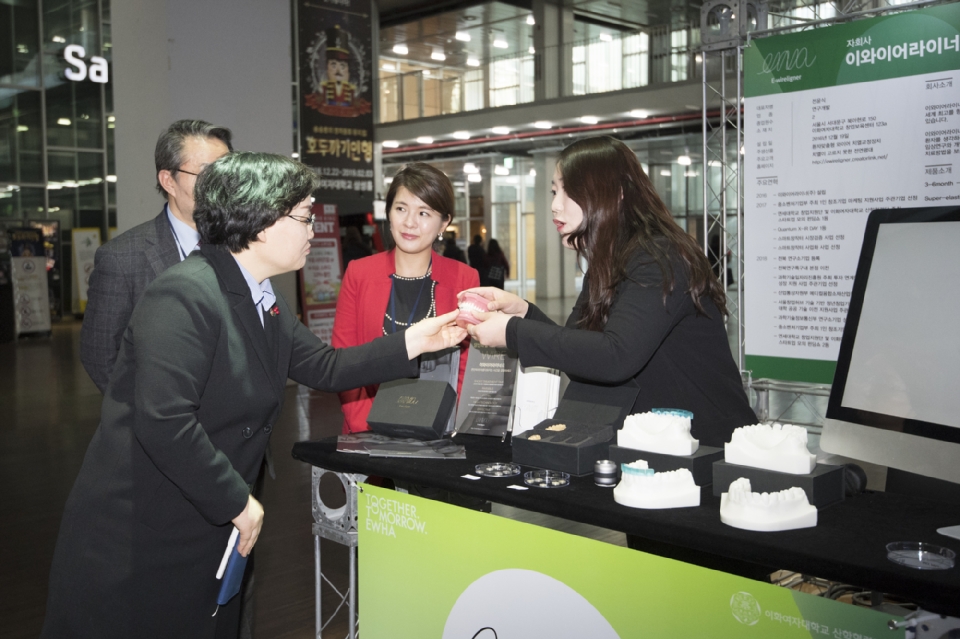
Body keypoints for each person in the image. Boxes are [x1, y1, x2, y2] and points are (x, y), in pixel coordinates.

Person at [41, 153, 466, 639]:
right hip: (144, 528)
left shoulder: (262, 295)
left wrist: (417, 340)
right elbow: (165, 421)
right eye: (304, 216)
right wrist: (239, 502)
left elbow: (325, 367)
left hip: (204, 519)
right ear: (260, 221)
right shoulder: (183, 294)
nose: (312, 230)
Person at [461, 136, 756, 448]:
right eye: (553, 191)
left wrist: (513, 331)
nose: (554, 204)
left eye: (568, 191)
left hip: (710, 449)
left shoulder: (658, 255)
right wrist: (523, 312)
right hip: (658, 445)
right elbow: (583, 356)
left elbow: (616, 356)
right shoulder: (609, 261)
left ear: (615, 194)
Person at [80, 119, 232, 393]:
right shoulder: (122, 258)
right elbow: (100, 356)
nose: (222, 185)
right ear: (168, 181)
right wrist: (156, 418)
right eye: (208, 174)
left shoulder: (243, 245)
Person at [332, 162, 479, 433]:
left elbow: (464, 366)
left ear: (444, 222)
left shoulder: (464, 278)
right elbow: (345, 362)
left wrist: (442, 423)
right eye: (401, 209)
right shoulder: (359, 273)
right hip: (368, 430)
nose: (410, 223)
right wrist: (367, 426)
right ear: (389, 212)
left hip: (438, 432)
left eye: (424, 212)